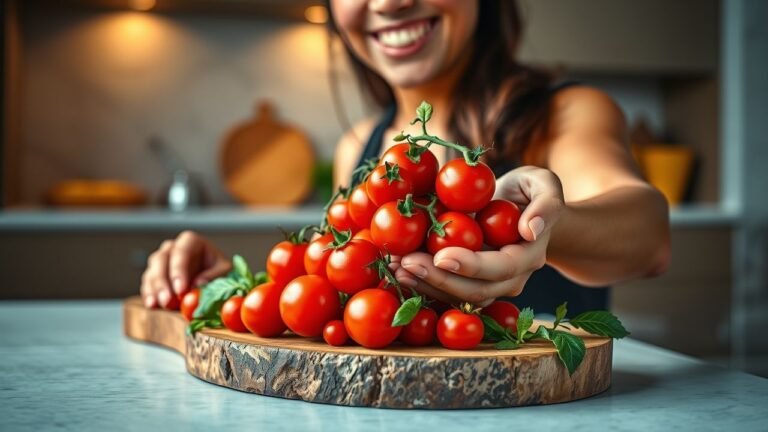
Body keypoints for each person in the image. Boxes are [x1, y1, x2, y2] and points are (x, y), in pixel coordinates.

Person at [140, 0, 670, 315]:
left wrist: (547, 229)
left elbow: (648, 236)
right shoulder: (360, 150)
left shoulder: (565, 111)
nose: (391, 2)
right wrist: (229, 288)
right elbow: (340, 299)